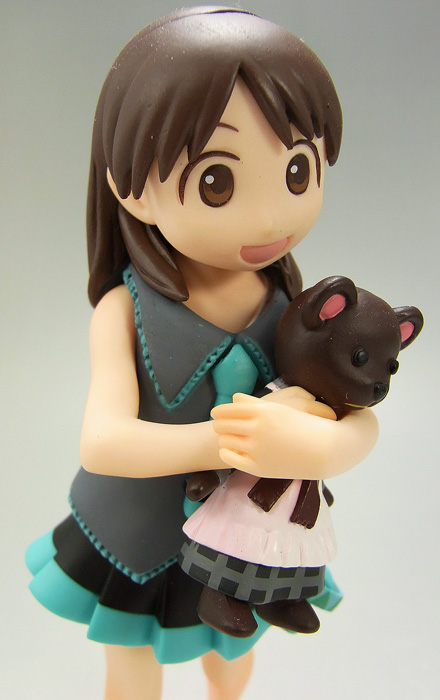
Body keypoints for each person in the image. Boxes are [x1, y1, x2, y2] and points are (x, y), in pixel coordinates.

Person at [26, 7, 378, 700]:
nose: (269, 217)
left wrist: (326, 447)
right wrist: (232, 442)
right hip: (135, 531)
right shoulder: (124, 309)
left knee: (232, 659)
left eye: (297, 170)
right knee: (131, 666)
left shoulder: (302, 310)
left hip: (248, 539)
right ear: (131, 187)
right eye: (218, 181)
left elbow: (357, 416)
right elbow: (103, 442)